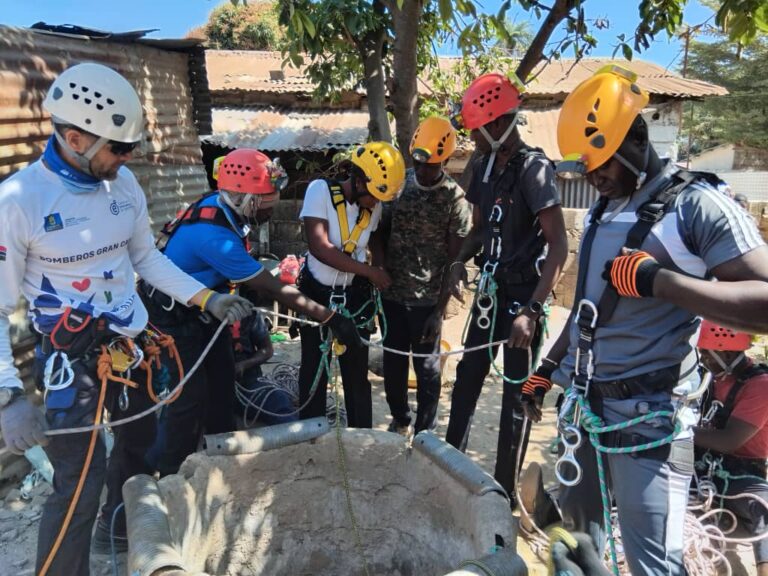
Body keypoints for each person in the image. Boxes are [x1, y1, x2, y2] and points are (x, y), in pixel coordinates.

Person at [0, 63, 253, 575]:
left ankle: (122, 536)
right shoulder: (20, 201)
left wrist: (208, 299)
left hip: (133, 347)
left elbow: (147, 259)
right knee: (79, 484)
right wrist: (8, 396)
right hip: (73, 364)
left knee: (139, 450)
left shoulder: (124, 186)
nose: (127, 157)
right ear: (74, 137)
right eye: (118, 148)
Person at [522, 65, 768, 575]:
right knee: (580, 542)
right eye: (587, 171)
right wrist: (548, 368)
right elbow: (589, 311)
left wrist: (663, 283)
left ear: (637, 136)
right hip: (585, 407)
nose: (594, 179)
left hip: (650, 419)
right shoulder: (603, 209)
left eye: (602, 166)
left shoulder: (697, 205)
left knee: (652, 561)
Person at [141, 148, 359, 476]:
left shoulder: (225, 211)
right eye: (268, 203)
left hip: (204, 309)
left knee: (222, 379)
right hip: (172, 315)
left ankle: (220, 453)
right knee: (188, 397)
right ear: (245, 198)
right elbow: (272, 288)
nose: (271, 209)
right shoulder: (214, 236)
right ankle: (167, 473)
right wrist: (329, 317)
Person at [444, 72, 568, 503]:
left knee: (516, 397)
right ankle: (449, 467)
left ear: (496, 125)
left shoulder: (534, 169)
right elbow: (478, 229)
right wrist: (460, 261)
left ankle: (503, 494)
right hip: (491, 294)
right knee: (467, 380)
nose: (472, 139)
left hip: (522, 299)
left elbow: (559, 244)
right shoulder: (482, 165)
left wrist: (531, 311)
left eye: (476, 130)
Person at [298, 142, 405, 428]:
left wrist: (378, 265)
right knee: (313, 370)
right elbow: (320, 247)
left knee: (357, 374)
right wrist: (370, 271)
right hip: (316, 294)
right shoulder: (320, 191)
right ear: (358, 180)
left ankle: (362, 438)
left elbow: (376, 239)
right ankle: (309, 437)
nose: (375, 202)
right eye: (373, 195)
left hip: (354, 296)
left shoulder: (374, 208)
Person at [377, 117, 471, 435]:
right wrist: (379, 270)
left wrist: (439, 309)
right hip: (391, 295)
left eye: (431, 166)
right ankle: (400, 418)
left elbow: (456, 259)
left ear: (444, 161)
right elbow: (379, 232)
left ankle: (425, 430)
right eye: (418, 163)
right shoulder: (398, 187)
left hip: (428, 300)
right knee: (392, 360)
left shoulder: (454, 199)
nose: (423, 171)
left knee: (427, 367)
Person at [694, 320, 768, 576]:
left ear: (724, 352)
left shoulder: (760, 386)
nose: (703, 359)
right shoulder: (713, 379)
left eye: (706, 353)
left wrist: (680, 433)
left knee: (763, 507)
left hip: (743, 474)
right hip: (705, 466)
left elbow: (729, 440)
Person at [232, 307, 299, 426]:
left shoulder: (250, 313)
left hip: (249, 384)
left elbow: (267, 349)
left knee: (278, 399)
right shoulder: (202, 315)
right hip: (214, 389)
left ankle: (296, 435)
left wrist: (244, 365)